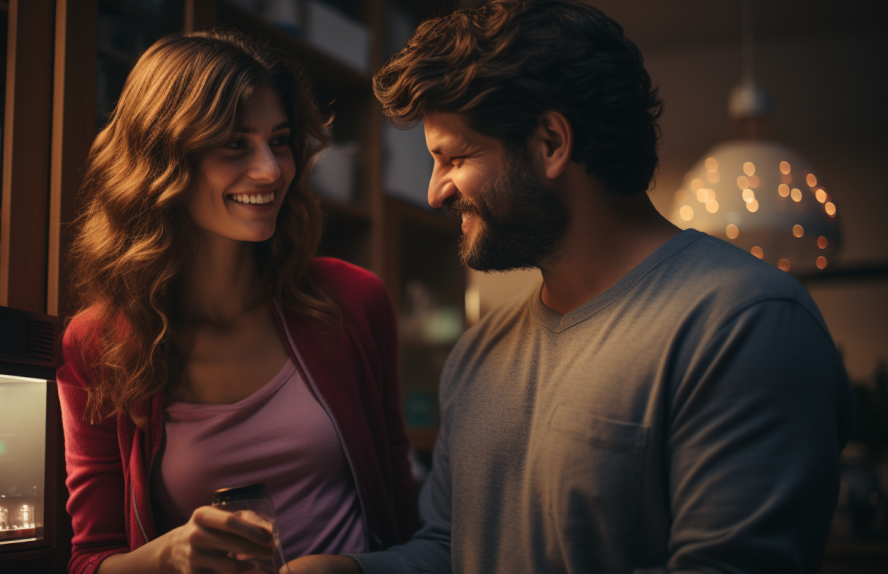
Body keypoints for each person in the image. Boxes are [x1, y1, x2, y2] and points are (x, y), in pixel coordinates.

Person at [289, 1, 854, 573]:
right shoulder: (476, 354)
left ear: (553, 143)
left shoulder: (746, 324)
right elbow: (451, 549)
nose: (436, 193)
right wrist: (355, 571)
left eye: (454, 158)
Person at [56, 30, 418, 574]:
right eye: (235, 144)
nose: (271, 171)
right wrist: (166, 556)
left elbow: (407, 525)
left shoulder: (353, 300)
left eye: (280, 140)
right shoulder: (97, 343)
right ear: (163, 159)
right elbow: (90, 558)